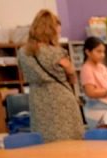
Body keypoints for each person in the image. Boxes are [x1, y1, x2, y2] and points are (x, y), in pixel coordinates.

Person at [17, 9, 84, 142]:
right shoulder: (57, 53)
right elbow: (72, 76)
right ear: (50, 30)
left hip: (37, 98)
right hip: (60, 99)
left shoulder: (22, 52)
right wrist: (70, 72)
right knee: (67, 138)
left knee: (43, 140)